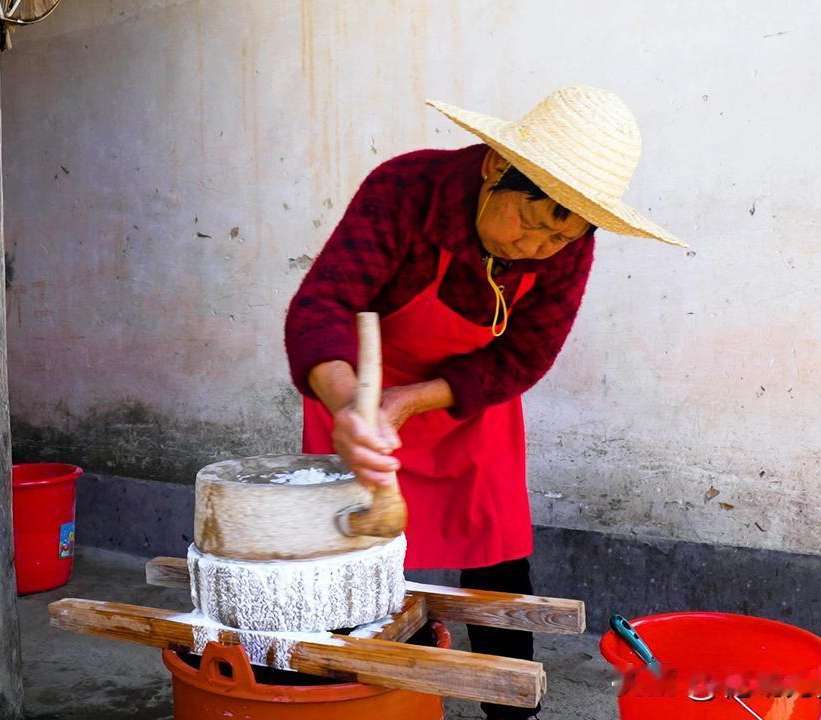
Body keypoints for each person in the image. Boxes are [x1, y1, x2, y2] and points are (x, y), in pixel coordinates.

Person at [284, 86, 684, 719]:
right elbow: (322, 308)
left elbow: (524, 355)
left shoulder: (566, 241)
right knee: (366, 561)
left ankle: (509, 705)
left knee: (496, 549)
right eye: (530, 221)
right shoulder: (407, 190)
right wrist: (351, 406)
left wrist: (418, 399)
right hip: (358, 390)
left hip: (466, 398)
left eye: (560, 237)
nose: (537, 248)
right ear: (496, 167)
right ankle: (380, 694)